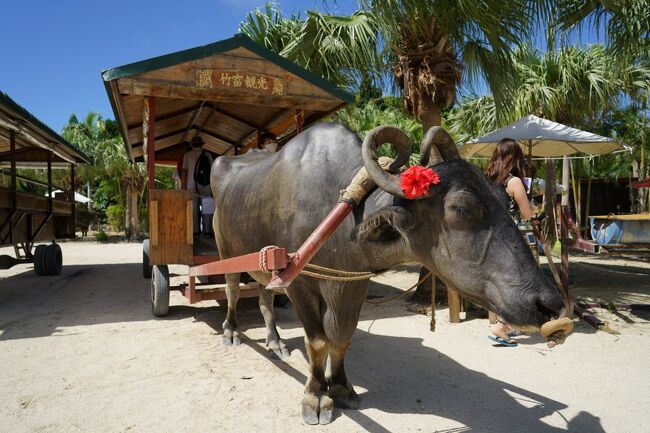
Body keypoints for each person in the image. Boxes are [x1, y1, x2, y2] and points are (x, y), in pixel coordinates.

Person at [485, 138, 536, 347]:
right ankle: (502, 326)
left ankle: (503, 323)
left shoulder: (487, 180)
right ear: (515, 157)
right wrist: (533, 209)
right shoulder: (514, 182)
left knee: (500, 283)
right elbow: (525, 214)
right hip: (509, 240)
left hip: (488, 239)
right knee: (517, 282)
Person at [182, 136, 214, 237]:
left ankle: (195, 232)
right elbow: (213, 170)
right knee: (207, 208)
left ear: (192, 145)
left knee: (194, 209)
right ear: (202, 144)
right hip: (206, 185)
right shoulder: (208, 155)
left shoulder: (187, 155)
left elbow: (184, 170)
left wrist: (183, 185)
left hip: (191, 186)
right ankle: (207, 232)